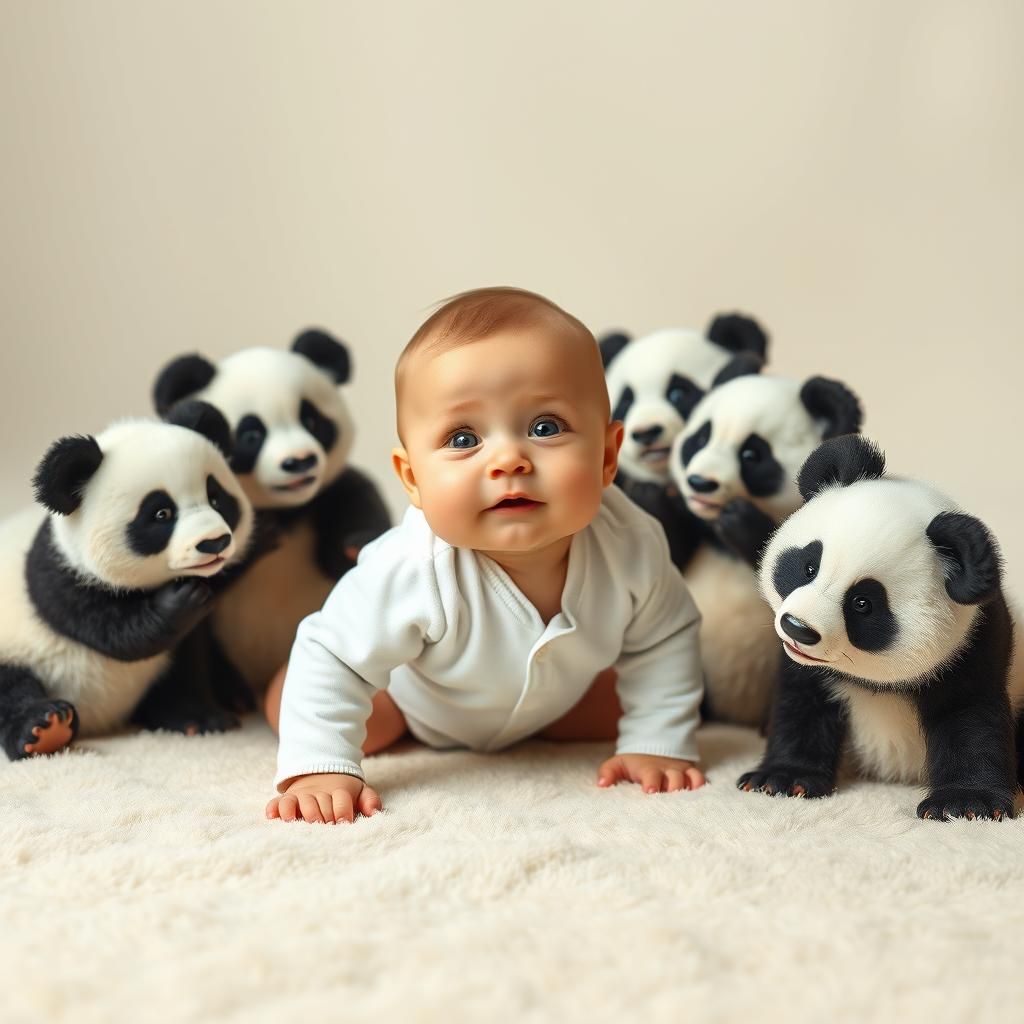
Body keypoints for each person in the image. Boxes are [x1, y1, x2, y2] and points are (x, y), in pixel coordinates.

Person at [265, 287, 706, 824]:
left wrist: (657, 738)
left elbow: (664, 635)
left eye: (545, 428)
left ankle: (596, 725)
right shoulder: (412, 566)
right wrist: (319, 766)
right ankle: (293, 697)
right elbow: (335, 656)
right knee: (319, 697)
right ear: (413, 479)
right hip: (414, 706)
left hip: (556, 702)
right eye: (463, 437)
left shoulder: (631, 543)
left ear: (608, 456)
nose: (509, 460)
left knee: (633, 707)